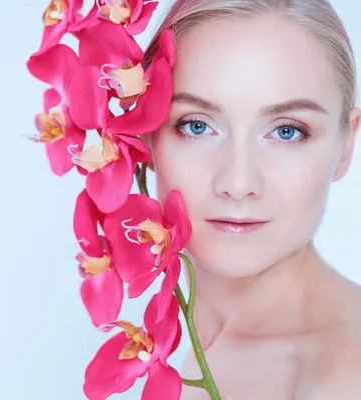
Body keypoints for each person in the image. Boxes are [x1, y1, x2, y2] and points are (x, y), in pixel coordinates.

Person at [142, 0, 361, 398]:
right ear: (144, 134)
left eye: (287, 131)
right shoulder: (159, 341)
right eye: (196, 125)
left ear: (346, 145)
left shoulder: (344, 377)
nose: (238, 182)